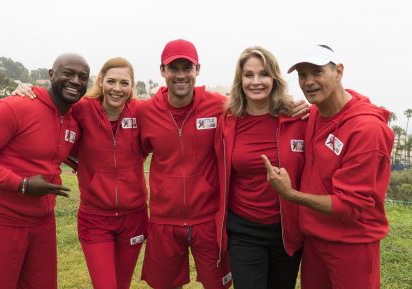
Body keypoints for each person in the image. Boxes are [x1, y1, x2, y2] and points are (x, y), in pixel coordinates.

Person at [262, 45, 394, 289]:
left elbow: (350, 204)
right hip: (314, 240)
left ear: (339, 71)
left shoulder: (366, 130)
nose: (308, 81)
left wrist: (290, 194)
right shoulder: (314, 114)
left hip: (352, 245)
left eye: (317, 72)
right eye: (302, 74)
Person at [12, 57, 148, 289]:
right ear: (101, 82)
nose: (117, 88)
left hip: (133, 218)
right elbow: (52, 113)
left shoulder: (141, 112)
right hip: (95, 218)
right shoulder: (82, 109)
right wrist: (26, 89)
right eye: (111, 81)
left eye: (124, 83)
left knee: (122, 285)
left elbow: (172, 107)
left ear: (132, 86)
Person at [0, 53, 90, 289]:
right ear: (51, 75)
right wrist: (21, 184)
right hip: (1, 219)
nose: (75, 81)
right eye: (68, 73)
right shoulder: (16, 106)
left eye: (83, 77)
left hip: (43, 222)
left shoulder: (74, 120)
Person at [137, 39, 232, 289]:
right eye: (173, 68)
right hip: (164, 220)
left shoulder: (219, 105)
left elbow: (259, 106)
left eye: (187, 68)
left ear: (197, 70)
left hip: (208, 219)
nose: (181, 75)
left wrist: (294, 107)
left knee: (218, 285)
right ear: (162, 71)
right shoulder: (145, 112)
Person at [214, 46, 305, 289]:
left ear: (274, 79)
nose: (256, 81)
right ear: (239, 80)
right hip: (244, 230)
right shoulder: (228, 120)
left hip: (286, 232)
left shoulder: (298, 119)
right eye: (248, 75)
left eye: (263, 74)